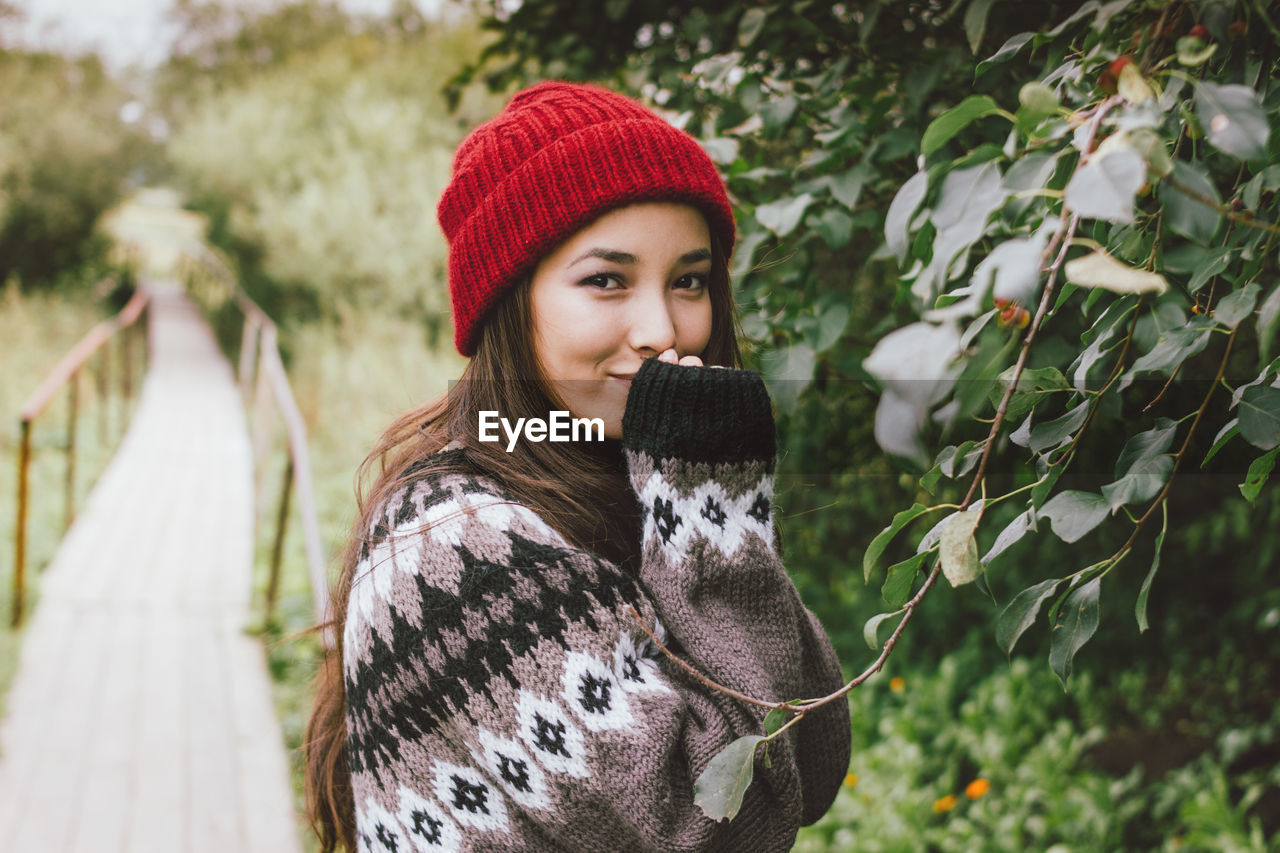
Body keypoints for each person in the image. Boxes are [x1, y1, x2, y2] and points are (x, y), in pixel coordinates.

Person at [304, 80, 851, 853]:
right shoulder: (455, 547)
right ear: (510, 300)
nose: (662, 328)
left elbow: (815, 754)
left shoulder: (628, 485)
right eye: (606, 280)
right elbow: (728, 824)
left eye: (689, 280)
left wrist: (705, 506)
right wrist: (713, 521)